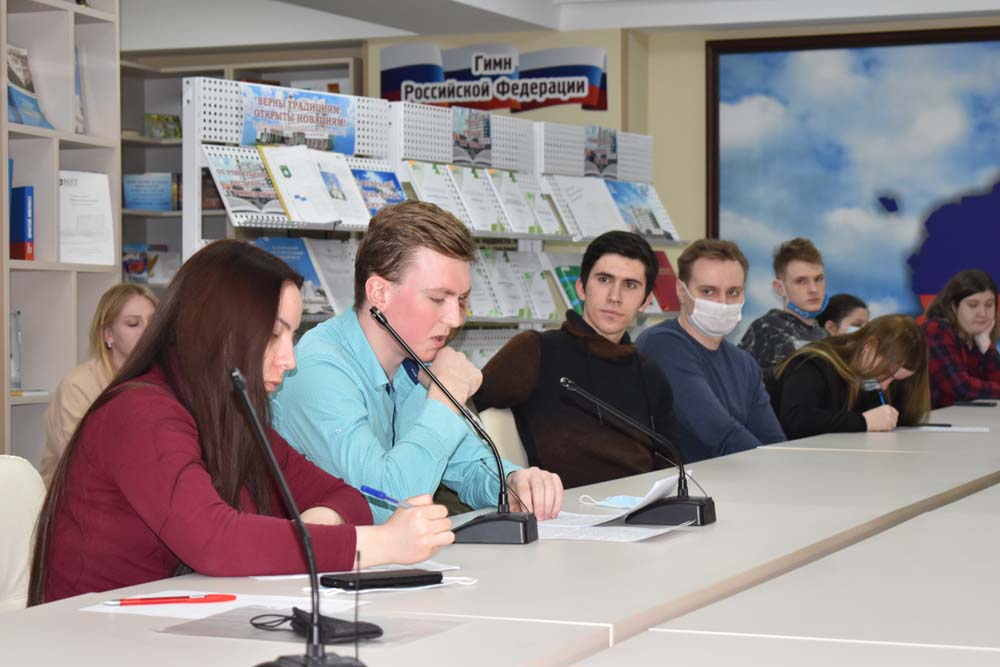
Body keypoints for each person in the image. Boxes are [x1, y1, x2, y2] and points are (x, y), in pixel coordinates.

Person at [28, 240, 453, 605]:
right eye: (274, 334)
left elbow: (346, 498)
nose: (289, 359)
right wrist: (380, 544)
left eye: (292, 336)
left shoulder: (229, 412)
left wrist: (308, 533)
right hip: (95, 638)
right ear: (220, 331)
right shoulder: (139, 412)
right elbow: (214, 541)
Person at [272, 201, 563, 523]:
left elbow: (468, 465)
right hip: (320, 554)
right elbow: (387, 502)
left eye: (461, 300)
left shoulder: (413, 358)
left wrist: (513, 482)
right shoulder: (316, 370)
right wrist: (447, 394)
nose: (455, 319)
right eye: (437, 299)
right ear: (379, 293)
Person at [475, 231, 680, 488]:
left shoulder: (650, 372)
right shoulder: (537, 349)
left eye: (630, 285)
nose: (615, 297)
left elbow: (670, 460)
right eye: (604, 280)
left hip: (642, 501)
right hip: (566, 503)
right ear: (581, 288)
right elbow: (464, 409)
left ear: (645, 302)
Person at [637, 239, 785, 463]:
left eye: (733, 292)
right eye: (708, 291)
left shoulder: (744, 363)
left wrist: (782, 466)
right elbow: (720, 434)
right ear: (681, 291)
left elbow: (773, 441)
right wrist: (773, 466)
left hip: (739, 477)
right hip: (682, 482)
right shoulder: (662, 344)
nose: (722, 303)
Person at [40, 283, 158, 486]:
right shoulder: (78, 386)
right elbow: (82, 463)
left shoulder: (163, 380)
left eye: (154, 322)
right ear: (108, 334)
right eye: (133, 324)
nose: (148, 331)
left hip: (142, 492)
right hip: (80, 496)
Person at [770, 315, 930, 440]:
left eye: (895, 379)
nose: (885, 386)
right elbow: (796, 419)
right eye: (885, 373)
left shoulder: (865, 374)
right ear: (869, 346)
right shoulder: (812, 362)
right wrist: (864, 421)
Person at [740, 237, 828, 373]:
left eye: (818, 279)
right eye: (801, 281)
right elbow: (737, 380)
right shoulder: (766, 328)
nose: (813, 289)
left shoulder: (825, 336)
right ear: (780, 288)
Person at [921, 269, 1000, 408]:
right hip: (932, 419)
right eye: (973, 305)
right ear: (953, 306)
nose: (983, 313)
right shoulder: (936, 330)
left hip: (966, 419)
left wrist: (987, 346)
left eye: (989, 305)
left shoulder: (978, 336)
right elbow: (962, 389)